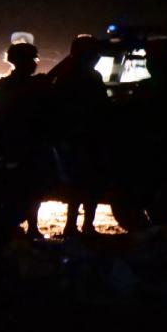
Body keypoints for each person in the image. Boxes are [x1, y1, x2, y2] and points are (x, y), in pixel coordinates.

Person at [0, 42, 49, 237]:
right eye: (31, 60)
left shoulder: (2, 85)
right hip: (21, 142)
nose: (34, 63)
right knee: (26, 186)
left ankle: (25, 225)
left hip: (18, 142)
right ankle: (26, 225)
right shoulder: (35, 85)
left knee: (25, 186)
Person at [50, 34, 110, 236]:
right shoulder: (77, 77)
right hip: (79, 137)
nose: (97, 57)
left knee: (82, 183)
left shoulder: (72, 75)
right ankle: (79, 226)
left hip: (81, 137)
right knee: (84, 182)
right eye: (93, 53)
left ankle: (79, 225)